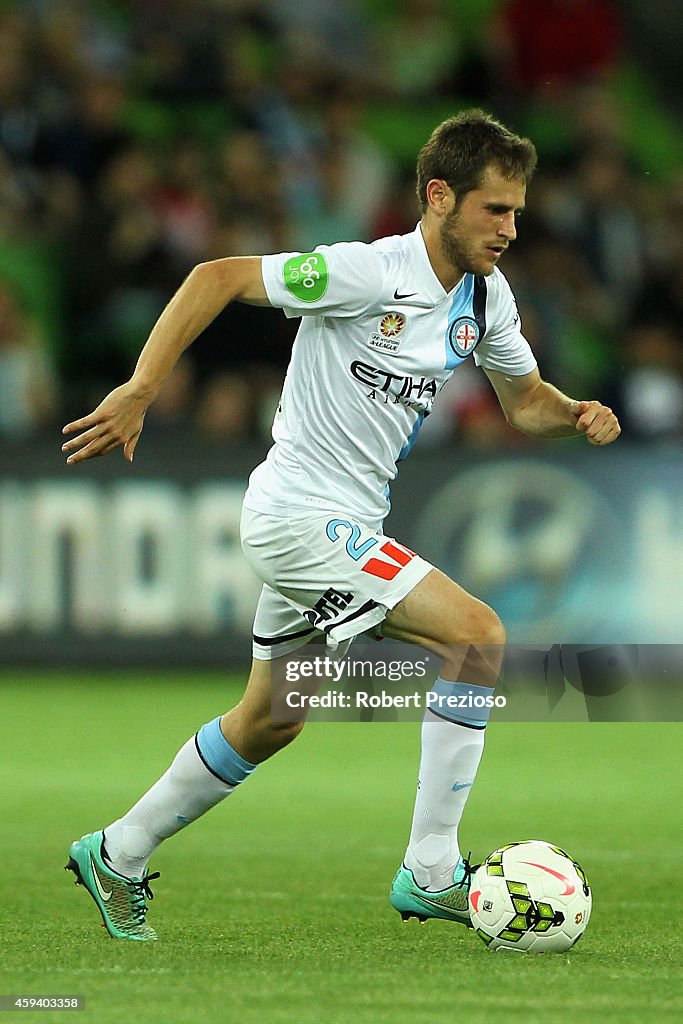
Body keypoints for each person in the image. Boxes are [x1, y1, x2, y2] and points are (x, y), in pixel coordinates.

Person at [62, 109, 620, 941]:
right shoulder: (366, 272)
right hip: (297, 517)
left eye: (517, 211)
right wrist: (142, 386)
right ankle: (431, 870)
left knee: (271, 718)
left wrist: (572, 413)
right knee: (478, 635)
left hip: (341, 522)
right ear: (439, 196)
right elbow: (215, 275)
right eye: (494, 210)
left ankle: (118, 850)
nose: (511, 227)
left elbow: (522, 401)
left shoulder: (484, 297)